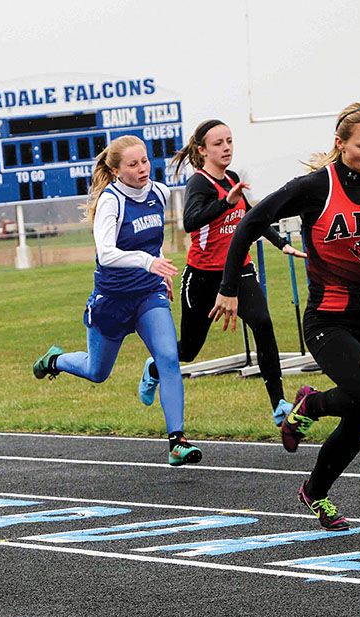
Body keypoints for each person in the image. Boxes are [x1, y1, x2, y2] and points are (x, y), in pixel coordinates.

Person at [212, 102, 360, 531]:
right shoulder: (315, 187)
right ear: (340, 144)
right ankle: (311, 405)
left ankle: (315, 491)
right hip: (327, 320)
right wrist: (228, 288)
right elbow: (249, 223)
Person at [32, 135, 201, 467]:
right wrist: (148, 262)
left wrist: (160, 269)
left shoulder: (159, 193)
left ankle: (177, 442)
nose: (142, 169)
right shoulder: (111, 201)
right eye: (132, 164)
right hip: (112, 300)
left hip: (148, 294)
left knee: (169, 358)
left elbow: (153, 241)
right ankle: (55, 361)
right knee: (97, 372)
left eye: (144, 161)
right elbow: (107, 253)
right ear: (116, 171)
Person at [137, 120, 305, 427]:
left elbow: (251, 218)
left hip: (239, 270)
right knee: (189, 350)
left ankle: (279, 405)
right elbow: (190, 221)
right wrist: (224, 203)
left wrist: (280, 242)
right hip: (203, 277)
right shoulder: (199, 183)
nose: (227, 147)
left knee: (263, 324)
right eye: (218, 143)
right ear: (202, 151)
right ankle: (154, 369)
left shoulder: (233, 179)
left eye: (229, 141)